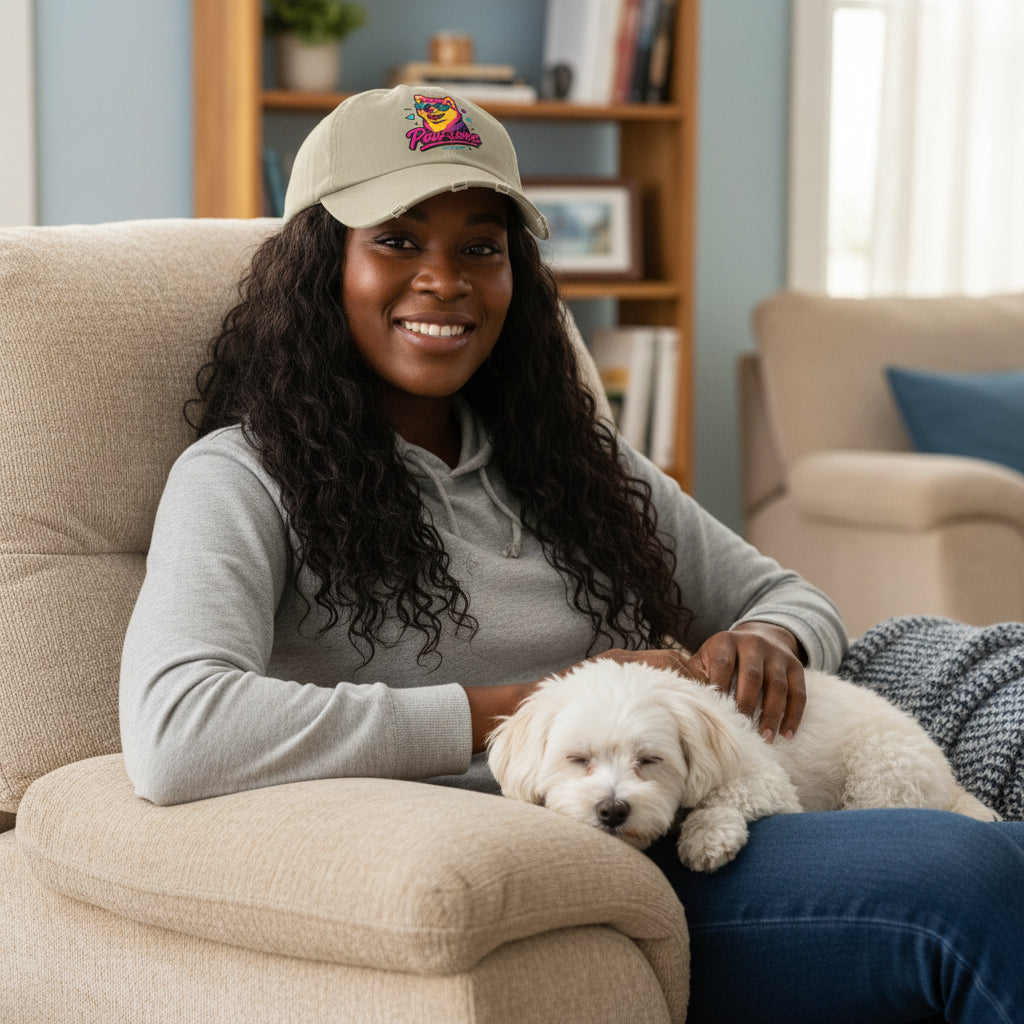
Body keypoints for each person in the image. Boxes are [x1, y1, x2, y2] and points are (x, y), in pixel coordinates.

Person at [120, 86, 1024, 1023]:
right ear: (320, 266)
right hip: (548, 861)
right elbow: (177, 729)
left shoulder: (566, 458)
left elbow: (786, 596)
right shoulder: (239, 475)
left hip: (696, 811)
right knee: (975, 876)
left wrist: (767, 640)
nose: (446, 278)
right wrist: (521, 710)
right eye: (397, 239)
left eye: (482, 246)